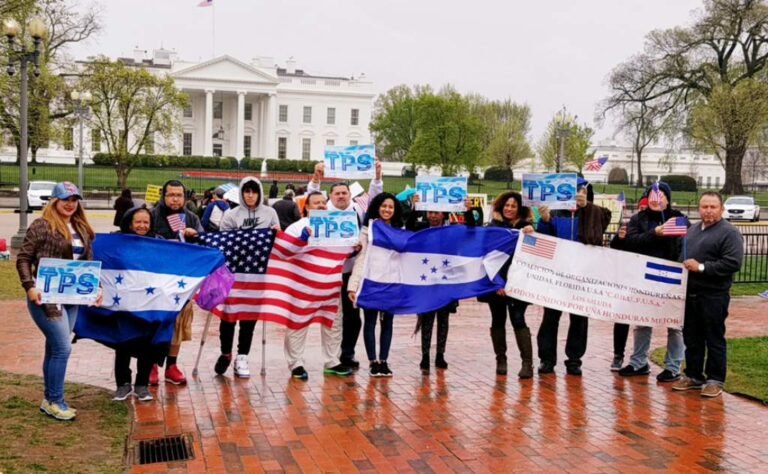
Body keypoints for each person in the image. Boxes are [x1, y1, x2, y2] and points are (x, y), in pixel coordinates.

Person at [16, 181, 102, 421]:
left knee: (55, 347)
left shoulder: (82, 227)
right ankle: (56, 400)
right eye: (65, 199)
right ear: (54, 201)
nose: (70, 204)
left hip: (72, 296)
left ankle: (49, 399)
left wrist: (97, 288)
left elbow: (88, 264)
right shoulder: (41, 225)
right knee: (63, 347)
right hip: (45, 297)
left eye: (74, 200)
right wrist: (29, 286)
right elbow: (23, 258)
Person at [306, 160, 383, 369]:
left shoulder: (358, 210)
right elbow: (311, 197)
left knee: (353, 317)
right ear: (330, 196)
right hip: (328, 273)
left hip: (351, 273)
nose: (341, 196)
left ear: (350, 195)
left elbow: (375, 200)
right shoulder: (323, 209)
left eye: (344, 193)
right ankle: (333, 356)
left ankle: (347, 353)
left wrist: (377, 177)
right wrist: (316, 177)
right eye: (337, 193)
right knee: (331, 317)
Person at [611, 182, 688, 381]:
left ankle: (673, 366)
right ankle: (639, 362)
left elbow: (684, 245)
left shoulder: (678, 218)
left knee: (674, 325)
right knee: (642, 322)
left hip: (671, 278)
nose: (656, 199)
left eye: (661, 195)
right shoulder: (638, 219)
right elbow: (631, 242)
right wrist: (655, 234)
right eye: (653, 195)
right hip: (644, 277)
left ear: (668, 199)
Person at [536, 178, 611, 376]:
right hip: (557, 274)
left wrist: (587, 207)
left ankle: (574, 359)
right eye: (574, 191)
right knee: (550, 318)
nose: (578, 195)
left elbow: (604, 222)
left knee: (579, 319)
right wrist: (545, 221)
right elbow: (544, 239)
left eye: (582, 191)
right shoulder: (555, 214)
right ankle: (547, 358)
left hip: (582, 275)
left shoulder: (593, 213)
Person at [673, 192, 743, 398]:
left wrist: (702, 267)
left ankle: (715, 379)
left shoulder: (729, 233)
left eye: (713, 207)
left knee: (714, 338)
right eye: (705, 207)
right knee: (692, 338)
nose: (708, 211)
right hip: (690, 294)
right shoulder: (692, 230)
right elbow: (681, 256)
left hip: (714, 295)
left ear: (721, 209)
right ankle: (694, 375)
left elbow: (733, 262)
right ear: (699, 208)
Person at [214, 176, 280, 378]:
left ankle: (242, 356)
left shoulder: (270, 213)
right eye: (247, 191)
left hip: (257, 273)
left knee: (249, 316)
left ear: (259, 193)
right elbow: (223, 242)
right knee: (228, 315)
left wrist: (277, 233)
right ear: (242, 193)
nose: (250, 195)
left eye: (254, 191)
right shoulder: (231, 215)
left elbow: (277, 240)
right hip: (234, 272)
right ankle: (226, 352)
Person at [282, 191, 352, 379]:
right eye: (316, 203)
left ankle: (332, 361)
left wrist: (353, 250)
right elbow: (285, 251)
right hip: (303, 286)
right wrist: (301, 239)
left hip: (331, 285)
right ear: (306, 207)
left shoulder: (336, 225)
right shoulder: (297, 227)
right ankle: (296, 363)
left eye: (323, 202)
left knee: (333, 325)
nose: (321, 205)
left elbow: (345, 249)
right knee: (298, 325)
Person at [468, 191, 536, 378]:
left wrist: (532, 233)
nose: (509, 209)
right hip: (496, 282)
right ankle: (501, 359)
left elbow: (532, 255)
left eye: (513, 206)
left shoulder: (526, 228)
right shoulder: (493, 228)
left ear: (520, 209)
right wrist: (498, 283)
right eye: (506, 205)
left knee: (518, 319)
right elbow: (486, 256)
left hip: (518, 284)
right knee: (498, 320)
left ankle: (527, 363)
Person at [149, 179, 204, 385]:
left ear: (184, 197)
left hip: (182, 281)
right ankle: (151, 364)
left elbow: (204, 244)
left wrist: (194, 236)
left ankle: (171, 365)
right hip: (155, 280)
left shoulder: (191, 218)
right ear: (163, 196)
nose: (175, 199)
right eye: (171, 195)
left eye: (179, 195)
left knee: (179, 322)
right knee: (154, 322)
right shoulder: (152, 215)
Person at [348, 192, 403, 377]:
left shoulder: (400, 230)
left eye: (391, 207)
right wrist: (353, 285)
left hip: (391, 283)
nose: (387, 209)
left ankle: (384, 361)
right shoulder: (368, 229)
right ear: (377, 207)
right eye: (384, 206)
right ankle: (373, 361)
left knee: (388, 322)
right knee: (370, 322)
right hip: (370, 282)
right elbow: (361, 258)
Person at [112, 205, 163, 402]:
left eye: (146, 222)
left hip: (149, 302)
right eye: (138, 222)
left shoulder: (158, 242)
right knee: (123, 343)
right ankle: (122, 384)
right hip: (124, 301)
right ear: (129, 223)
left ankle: (142, 384)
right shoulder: (117, 241)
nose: (142, 226)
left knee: (148, 344)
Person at [406, 199, 456, 375]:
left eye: (437, 212)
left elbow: (470, 232)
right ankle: (425, 355)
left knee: (443, 320)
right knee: (426, 319)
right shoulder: (421, 229)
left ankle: (440, 354)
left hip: (445, 281)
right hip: (426, 281)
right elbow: (409, 226)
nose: (433, 216)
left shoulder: (451, 231)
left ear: (443, 214)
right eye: (430, 212)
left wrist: (468, 210)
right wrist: (414, 208)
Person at [610, 195, 651, 371]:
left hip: (647, 279)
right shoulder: (629, 226)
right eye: (641, 208)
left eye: (646, 209)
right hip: (629, 278)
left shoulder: (654, 228)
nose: (643, 211)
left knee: (644, 321)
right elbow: (614, 247)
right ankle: (618, 355)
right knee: (622, 318)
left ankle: (640, 359)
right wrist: (620, 238)